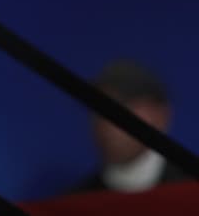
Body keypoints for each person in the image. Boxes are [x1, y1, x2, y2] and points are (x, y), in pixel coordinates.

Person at [73, 59, 189, 193]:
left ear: (161, 115)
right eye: (98, 109)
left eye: (123, 107)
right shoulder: (76, 201)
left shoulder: (190, 191)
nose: (107, 122)